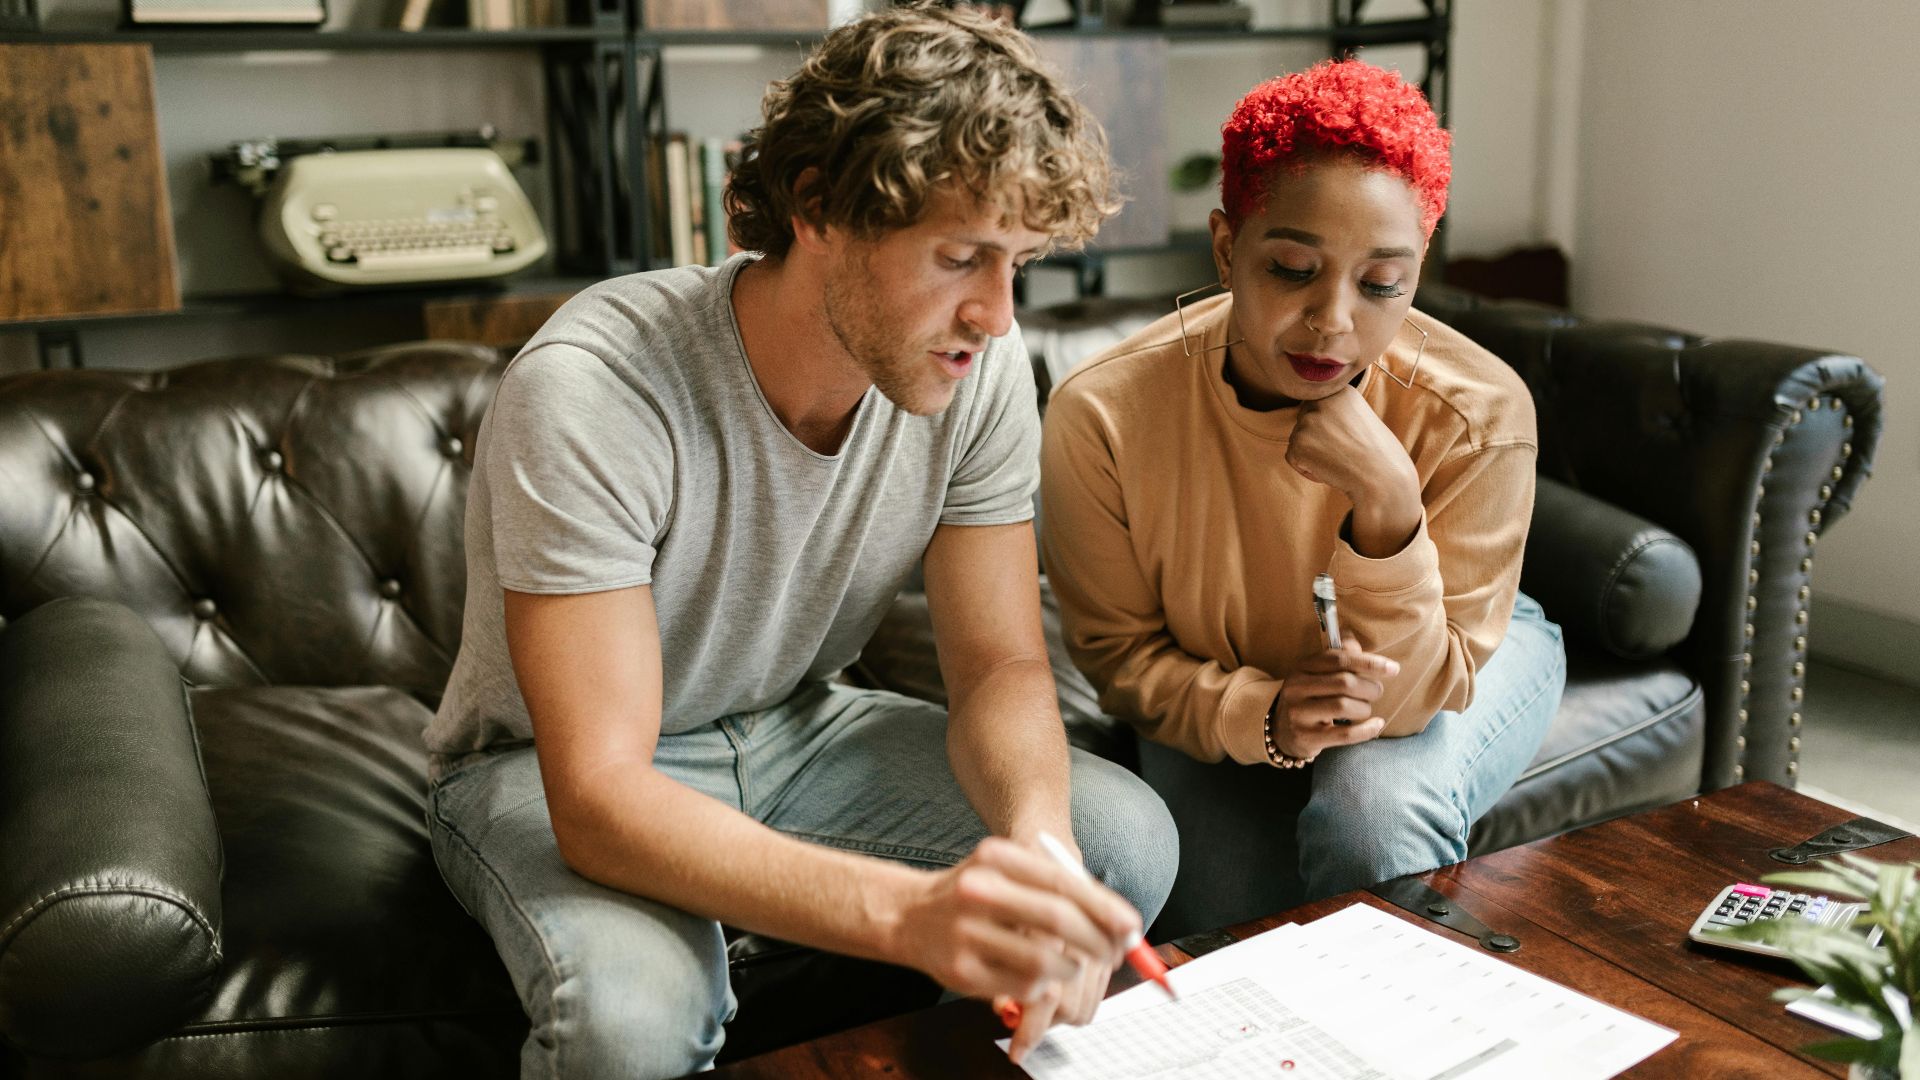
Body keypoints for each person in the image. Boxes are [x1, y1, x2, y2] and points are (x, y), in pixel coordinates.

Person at [421, 7, 1178, 1076]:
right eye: (961, 256)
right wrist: (912, 914)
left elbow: (1001, 663)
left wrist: (1035, 840)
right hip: (547, 771)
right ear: (820, 206)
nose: (999, 315)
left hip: (797, 730)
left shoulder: (982, 371)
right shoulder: (594, 388)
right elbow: (597, 800)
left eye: (1018, 263)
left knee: (1115, 843)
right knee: (630, 1021)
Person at [1038, 59, 1566, 937]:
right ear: (1224, 248)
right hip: (1221, 678)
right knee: (1228, 930)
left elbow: (1419, 695)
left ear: (1418, 272)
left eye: (1382, 284)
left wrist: (1391, 504)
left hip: (1464, 655)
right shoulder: (1104, 411)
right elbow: (1119, 660)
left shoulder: (1480, 411)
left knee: (1372, 811)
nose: (1333, 320)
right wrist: (1267, 713)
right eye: (1291, 267)